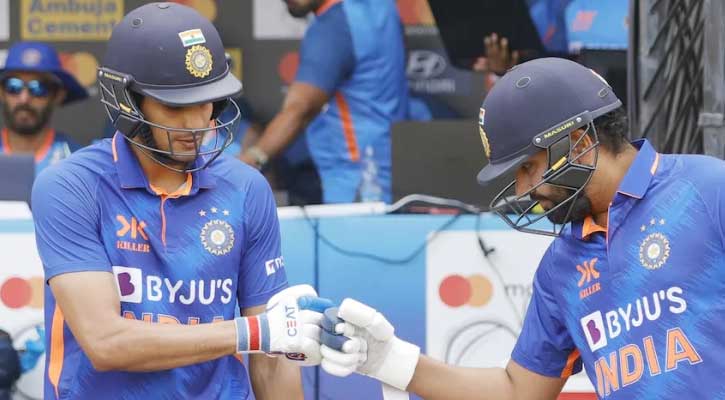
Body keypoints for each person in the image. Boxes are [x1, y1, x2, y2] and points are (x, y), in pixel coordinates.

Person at [316, 58, 725, 398]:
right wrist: (391, 361)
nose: (523, 190)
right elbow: (518, 391)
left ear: (580, 143)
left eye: (528, 166)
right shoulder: (560, 265)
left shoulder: (708, 190)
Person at [31, 4, 329, 399]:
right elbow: (106, 342)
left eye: (207, 102)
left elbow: (272, 360)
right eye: (175, 106)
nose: (196, 125)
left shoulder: (246, 188)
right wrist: (254, 332)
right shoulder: (71, 186)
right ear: (126, 101)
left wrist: (269, 334)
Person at [241, 0, 408, 203]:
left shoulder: (333, 27)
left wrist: (251, 160)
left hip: (353, 183)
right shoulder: (383, 7)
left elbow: (300, 110)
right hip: (392, 171)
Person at [0, 42, 87, 174]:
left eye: (38, 88)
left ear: (58, 95)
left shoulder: (76, 162)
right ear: (2, 92)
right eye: (14, 86)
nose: (24, 99)